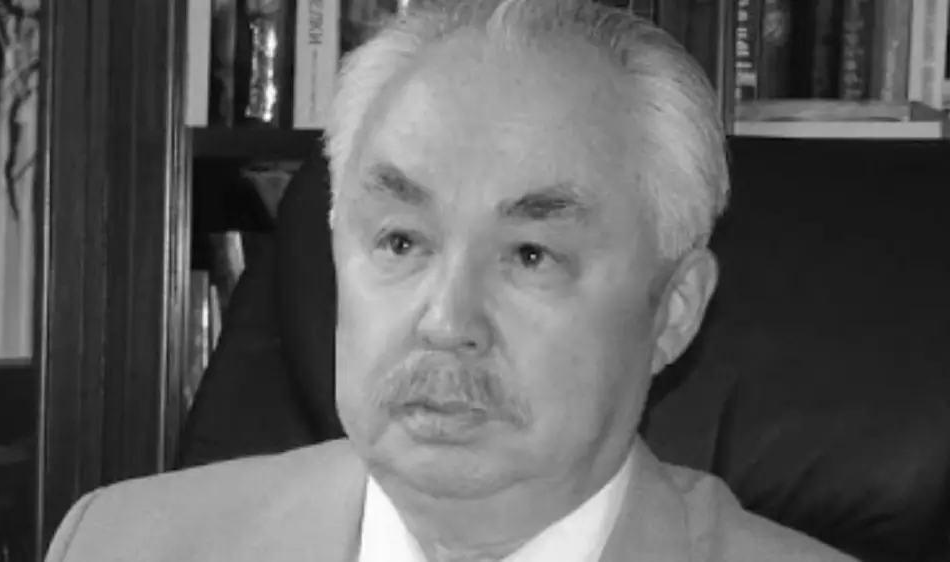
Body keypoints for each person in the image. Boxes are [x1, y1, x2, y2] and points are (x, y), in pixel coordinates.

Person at [45, 1, 858, 560]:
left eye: (530, 254)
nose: (446, 320)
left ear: (674, 310)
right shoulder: (120, 544)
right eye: (401, 241)